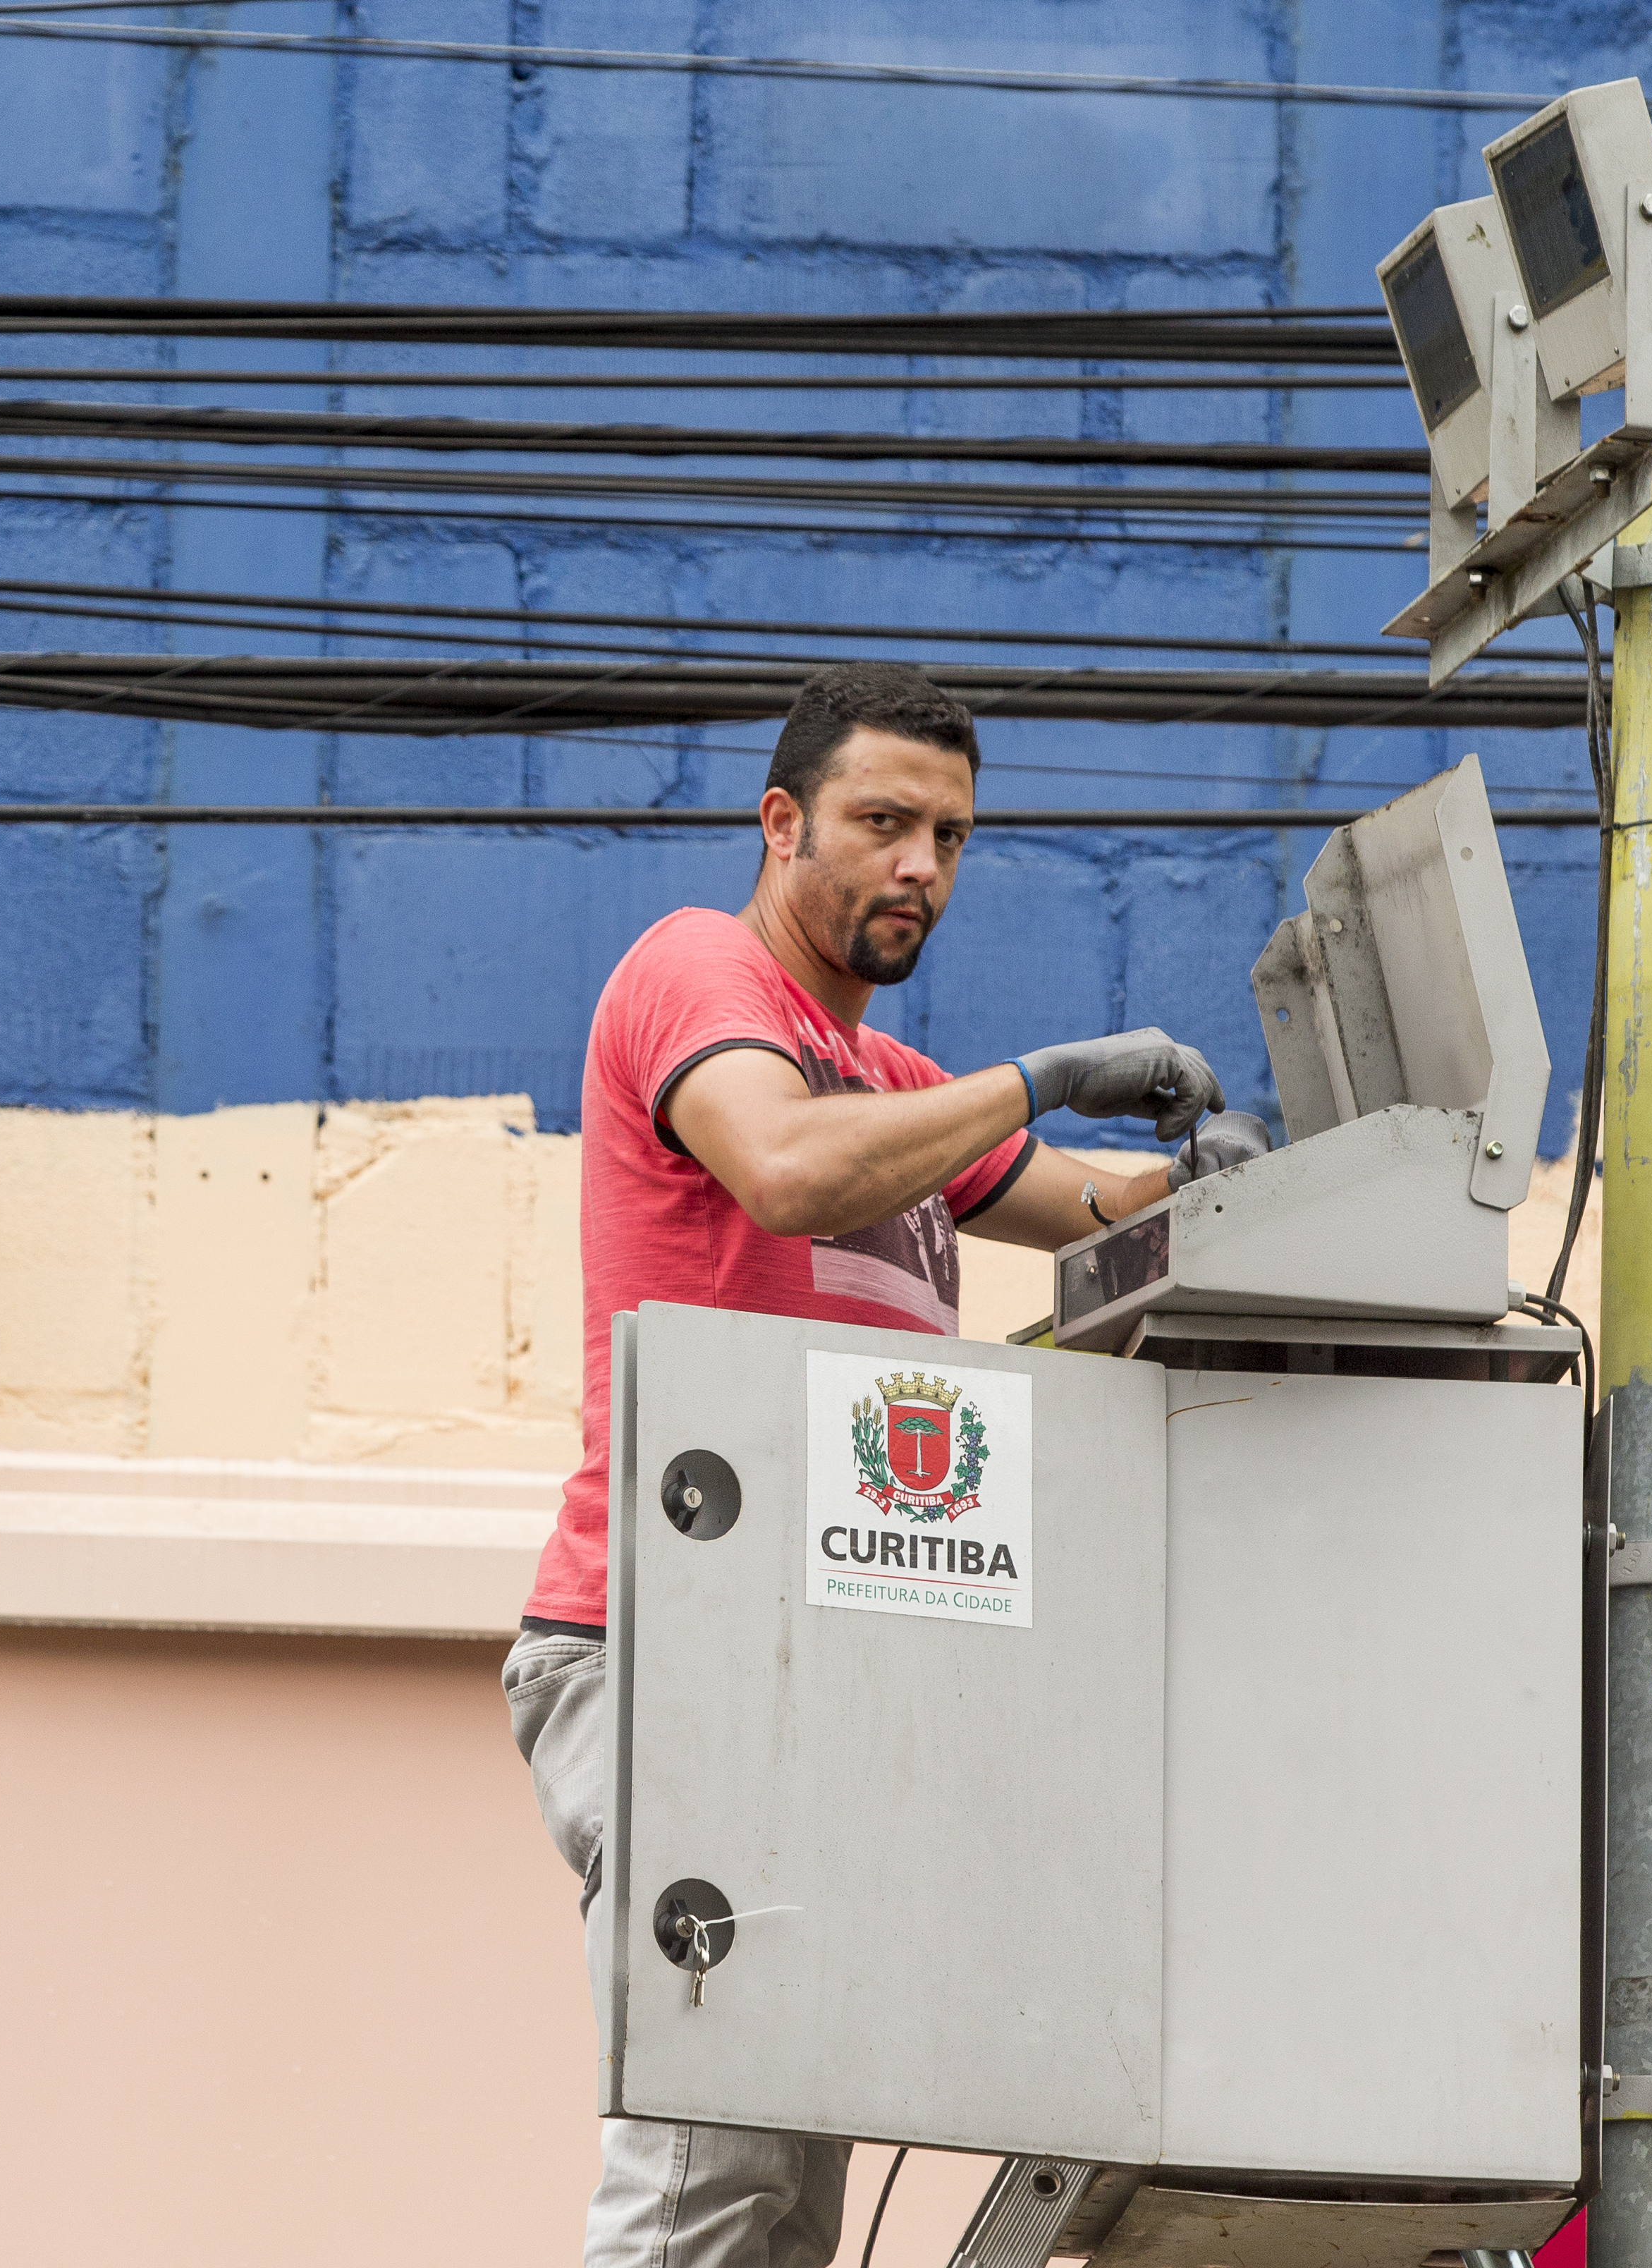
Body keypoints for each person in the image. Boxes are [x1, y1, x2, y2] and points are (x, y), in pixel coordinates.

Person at [502, 662, 1267, 2268]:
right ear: (783, 826)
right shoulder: (696, 974)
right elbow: (781, 1171)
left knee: (780, 2203)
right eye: (883, 822)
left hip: (818, 1666)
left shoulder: (902, 1091)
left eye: (952, 837)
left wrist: (1242, 1182)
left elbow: (1089, 1212)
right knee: (705, 2178)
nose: (920, 864)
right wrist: (1055, 1072)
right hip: (673, 1645)